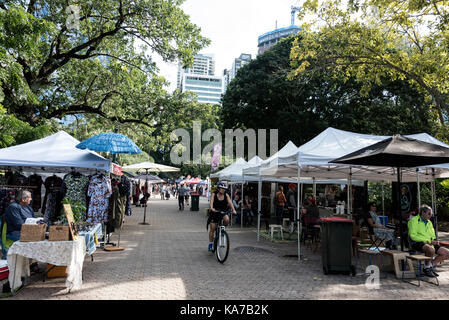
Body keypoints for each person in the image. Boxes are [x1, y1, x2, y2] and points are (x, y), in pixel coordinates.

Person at [408, 205, 449, 277]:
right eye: (429, 213)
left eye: (431, 214)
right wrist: (428, 241)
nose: (431, 215)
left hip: (429, 243)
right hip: (417, 243)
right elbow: (413, 236)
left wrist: (434, 241)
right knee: (431, 249)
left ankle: (429, 266)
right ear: (422, 212)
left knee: (447, 253)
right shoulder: (413, 221)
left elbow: (432, 235)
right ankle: (427, 267)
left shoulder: (429, 222)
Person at [208, 181, 236, 251]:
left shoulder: (226, 195)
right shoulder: (214, 194)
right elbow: (211, 203)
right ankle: (211, 243)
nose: (224, 190)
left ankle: (222, 231)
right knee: (212, 228)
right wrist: (211, 208)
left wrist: (234, 210)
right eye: (222, 188)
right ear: (218, 188)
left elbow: (230, 203)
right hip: (215, 212)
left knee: (227, 219)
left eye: (224, 189)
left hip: (223, 211)